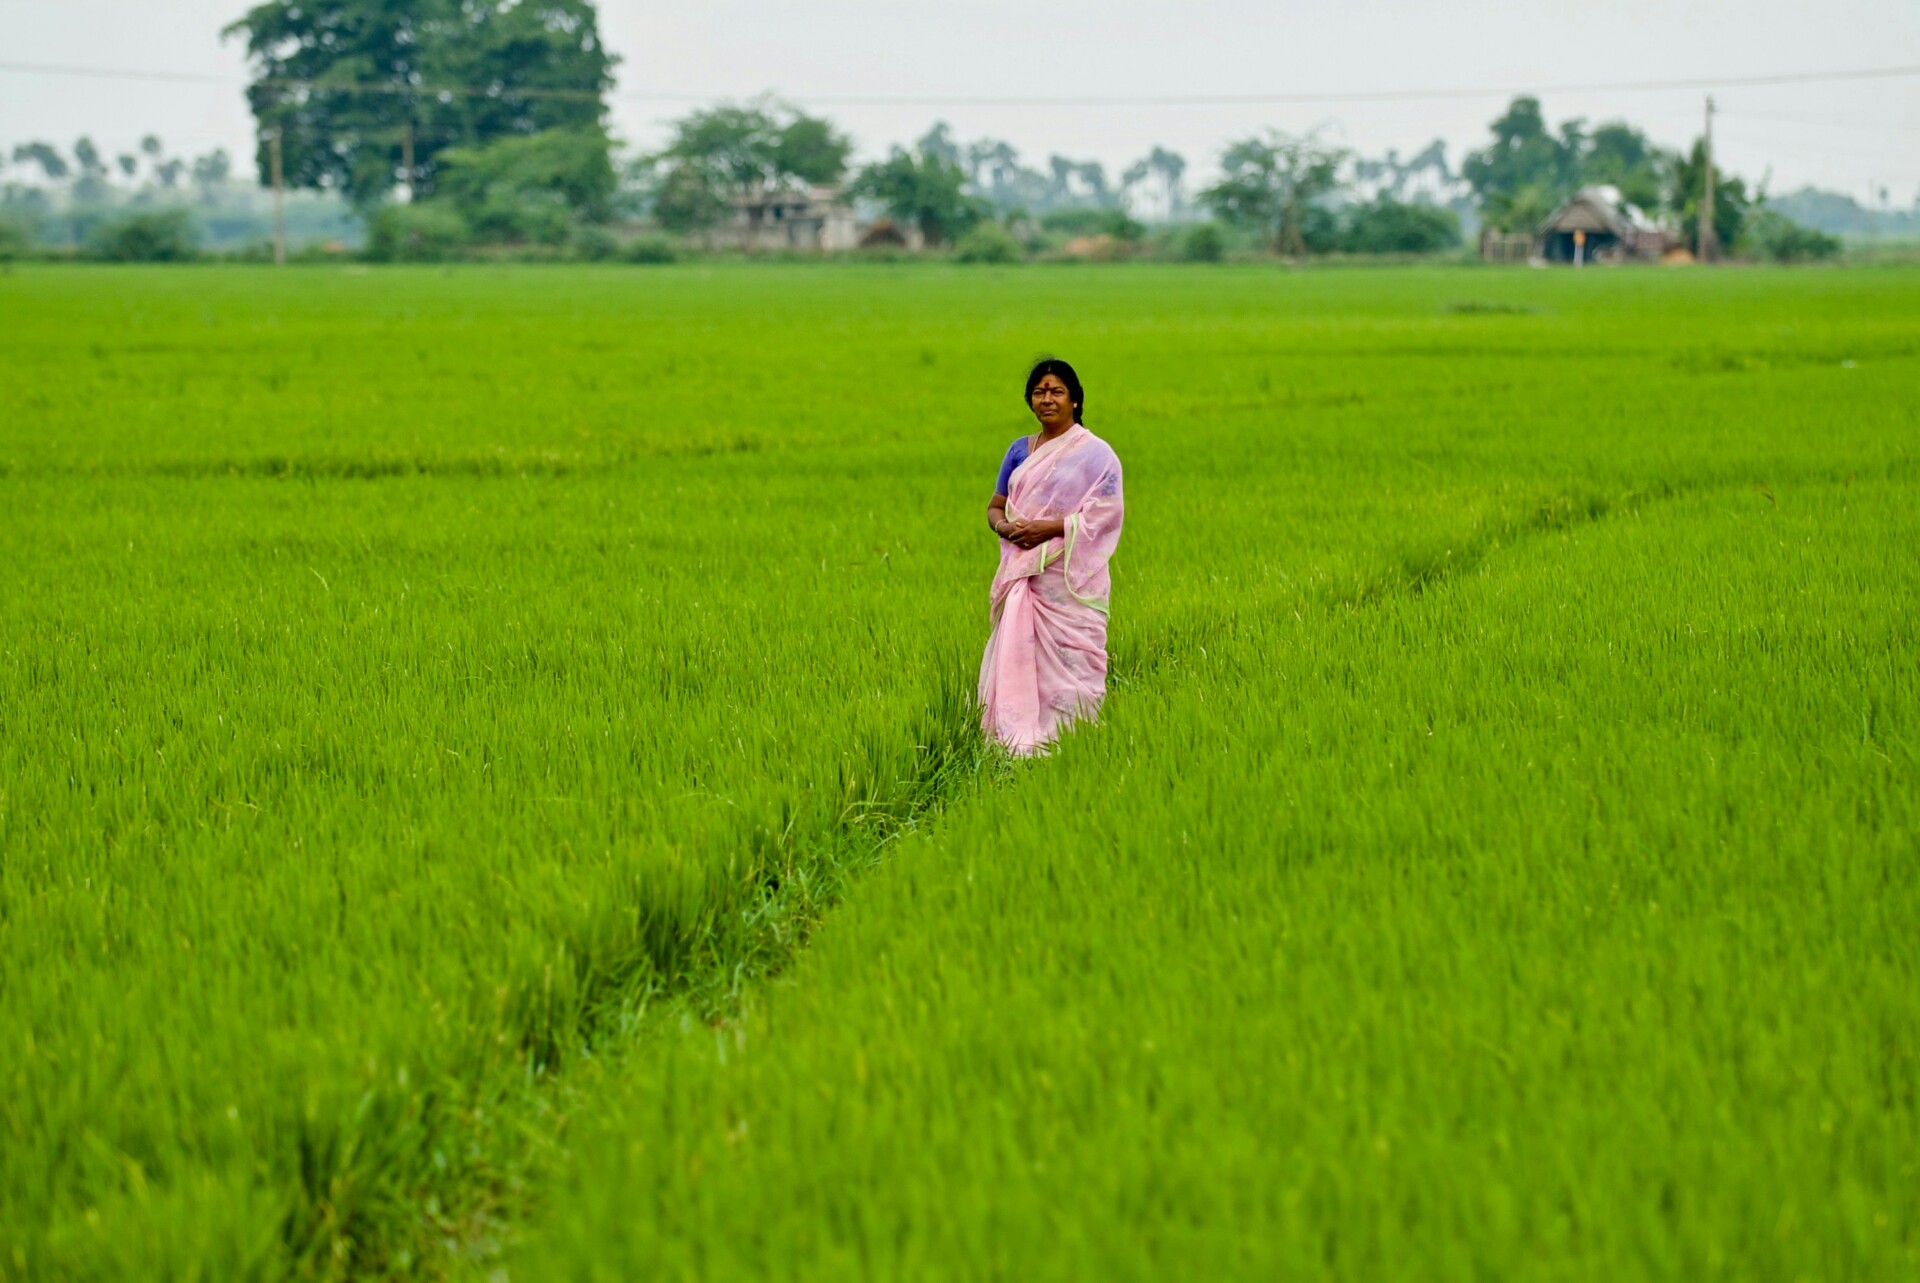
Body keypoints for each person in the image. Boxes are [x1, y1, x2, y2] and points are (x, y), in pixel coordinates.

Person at [979, 357, 1125, 755]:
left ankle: (1077, 743)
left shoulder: (1096, 454)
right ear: (1030, 400)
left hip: (1069, 584)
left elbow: (1107, 512)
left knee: (1073, 662)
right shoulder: (1018, 451)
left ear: (1075, 400)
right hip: (1025, 575)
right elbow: (995, 506)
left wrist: (1052, 527)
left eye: (1057, 391)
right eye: (1040, 392)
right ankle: (1018, 740)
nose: (1047, 399)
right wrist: (1006, 528)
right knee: (1022, 654)